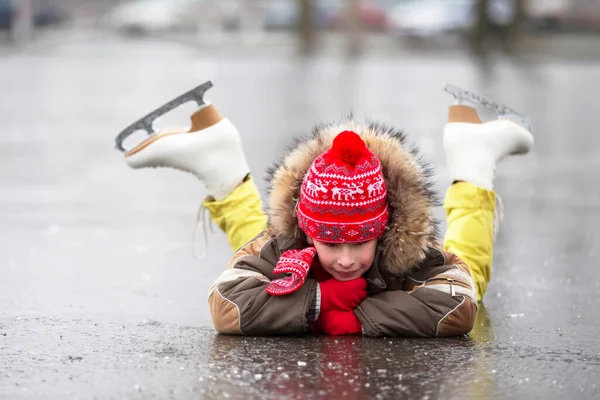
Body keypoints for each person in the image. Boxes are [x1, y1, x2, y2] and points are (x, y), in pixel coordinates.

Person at [122, 90, 533, 337]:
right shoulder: (288, 239)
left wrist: (358, 317)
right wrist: (319, 301)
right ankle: (219, 161)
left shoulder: (406, 249)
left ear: (384, 229)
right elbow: (227, 302)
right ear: (307, 229)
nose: (347, 259)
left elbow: (460, 303)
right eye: (331, 241)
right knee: (275, 258)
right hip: (293, 241)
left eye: (361, 241)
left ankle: (472, 165)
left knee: (472, 280)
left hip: (376, 247)